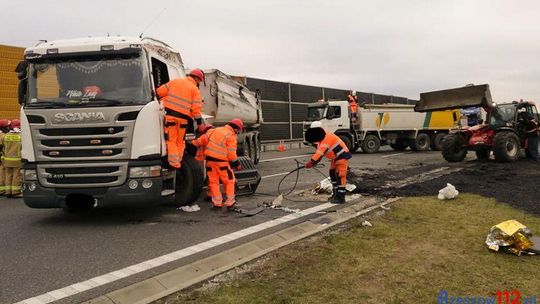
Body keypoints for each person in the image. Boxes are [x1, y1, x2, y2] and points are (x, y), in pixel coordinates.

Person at [156, 69, 206, 169]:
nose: (199, 83)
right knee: (180, 142)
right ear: (196, 79)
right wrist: (200, 123)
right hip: (183, 121)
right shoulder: (195, 90)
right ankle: (177, 162)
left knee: (171, 141)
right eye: (199, 81)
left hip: (171, 118)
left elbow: (159, 92)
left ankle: (174, 164)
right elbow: (196, 110)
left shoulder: (175, 81)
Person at [190, 119, 243, 209]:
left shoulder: (214, 130)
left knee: (213, 182)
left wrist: (189, 146)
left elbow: (199, 141)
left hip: (210, 163)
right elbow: (231, 155)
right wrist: (237, 164)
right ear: (236, 129)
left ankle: (217, 202)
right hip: (222, 163)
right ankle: (230, 202)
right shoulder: (231, 135)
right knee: (229, 181)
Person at [304, 126, 352, 204]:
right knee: (332, 174)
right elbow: (320, 153)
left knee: (340, 176)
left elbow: (319, 153)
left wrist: (311, 162)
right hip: (335, 158)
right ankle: (335, 194)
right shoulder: (322, 139)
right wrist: (314, 162)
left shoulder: (327, 139)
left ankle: (341, 197)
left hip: (342, 157)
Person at [2, 119, 22, 198]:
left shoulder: (5, 136)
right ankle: (16, 192)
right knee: (16, 175)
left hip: (6, 160)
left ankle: (8, 191)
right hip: (17, 159)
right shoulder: (20, 136)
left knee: (8, 175)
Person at [0, 119, 11, 196]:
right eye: (8, 126)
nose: (9, 128)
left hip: (3, 158)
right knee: (2, 174)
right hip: (2, 158)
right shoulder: (2, 136)